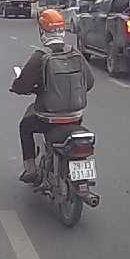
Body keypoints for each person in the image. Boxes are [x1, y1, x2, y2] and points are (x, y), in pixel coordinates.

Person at [10, 9, 95, 184]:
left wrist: (19, 88)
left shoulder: (40, 56)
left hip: (48, 119)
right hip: (75, 117)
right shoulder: (75, 53)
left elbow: (22, 85)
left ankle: (31, 169)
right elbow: (90, 82)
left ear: (42, 31)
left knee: (25, 126)